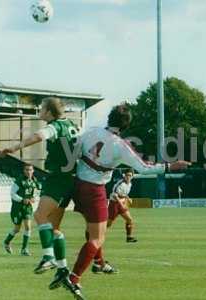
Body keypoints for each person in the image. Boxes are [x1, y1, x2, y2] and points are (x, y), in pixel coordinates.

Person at [66, 104, 191, 296]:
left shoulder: (91, 131)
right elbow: (144, 168)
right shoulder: (120, 145)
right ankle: (73, 278)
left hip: (78, 185)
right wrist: (171, 166)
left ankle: (99, 264)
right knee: (97, 237)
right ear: (126, 126)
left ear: (109, 118)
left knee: (91, 231)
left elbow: (74, 147)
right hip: (95, 189)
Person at [0, 97, 83, 299]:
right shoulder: (73, 125)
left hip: (58, 179)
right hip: (73, 179)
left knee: (39, 216)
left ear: (49, 111)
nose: (39, 111)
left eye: (42, 108)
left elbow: (39, 135)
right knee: (54, 228)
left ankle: (48, 256)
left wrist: (15, 147)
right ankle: (63, 270)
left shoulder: (55, 126)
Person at [3, 163, 41, 256]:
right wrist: (21, 199)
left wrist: (34, 198)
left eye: (30, 170)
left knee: (28, 226)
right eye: (27, 170)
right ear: (24, 171)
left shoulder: (34, 181)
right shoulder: (19, 181)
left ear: (33, 171)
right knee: (17, 229)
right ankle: (6, 242)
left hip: (27, 207)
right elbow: (12, 193)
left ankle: (24, 249)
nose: (28, 172)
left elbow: (37, 192)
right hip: (17, 208)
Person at [107, 168, 138, 243]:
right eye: (127, 175)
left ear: (132, 176)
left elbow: (124, 194)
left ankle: (129, 237)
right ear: (124, 176)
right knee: (108, 224)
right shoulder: (120, 183)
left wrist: (128, 198)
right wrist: (122, 204)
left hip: (121, 204)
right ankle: (97, 233)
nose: (128, 177)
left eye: (130, 175)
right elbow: (114, 195)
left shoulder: (130, 184)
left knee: (129, 220)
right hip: (114, 204)